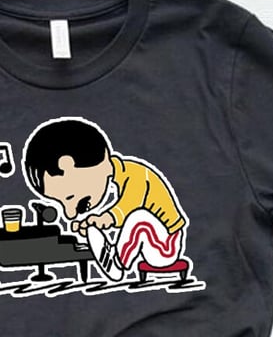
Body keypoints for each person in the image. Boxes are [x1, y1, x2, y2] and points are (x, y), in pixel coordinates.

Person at [22, 116, 189, 281]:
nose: (69, 214)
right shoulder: (114, 180)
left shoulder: (137, 175)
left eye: (70, 197)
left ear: (68, 164)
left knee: (139, 218)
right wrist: (90, 224)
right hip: (149, 246)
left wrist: (106, 219)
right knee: (135, 221)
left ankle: (118, 263)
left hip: (167, 246)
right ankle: (113, 253)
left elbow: (129, 204)